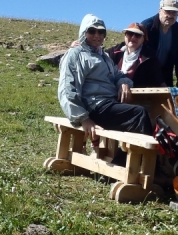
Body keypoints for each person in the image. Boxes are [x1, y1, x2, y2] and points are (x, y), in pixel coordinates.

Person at [58, 14, 153, 143]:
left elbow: (118, 75)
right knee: (139, 114)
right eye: (92, 31)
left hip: (108, 104)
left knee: (142, 111)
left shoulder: (104, 56)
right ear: (83, 33)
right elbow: (67, 89)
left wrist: (123, 83)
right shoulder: (76, 54)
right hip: (94, 107)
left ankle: (128, 158)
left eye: (101, 31)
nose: (97, 35)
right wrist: (83, 119)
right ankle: (145, 160)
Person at [141, 0, 178, 87]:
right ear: (160, 10)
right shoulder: (147, 27)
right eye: (167, 11)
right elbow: (143, 56)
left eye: (174, 13)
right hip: (143, 75)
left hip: (165, 77)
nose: (170, 15)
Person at [105, 22, 166, 88]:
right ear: (125, 36)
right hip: (112, 93)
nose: (133, 37)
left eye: (138, 35)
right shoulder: (113, 52)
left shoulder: (150, 58)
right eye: (130, 34)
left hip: (138, 96)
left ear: (144, 39)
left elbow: (158, 81)